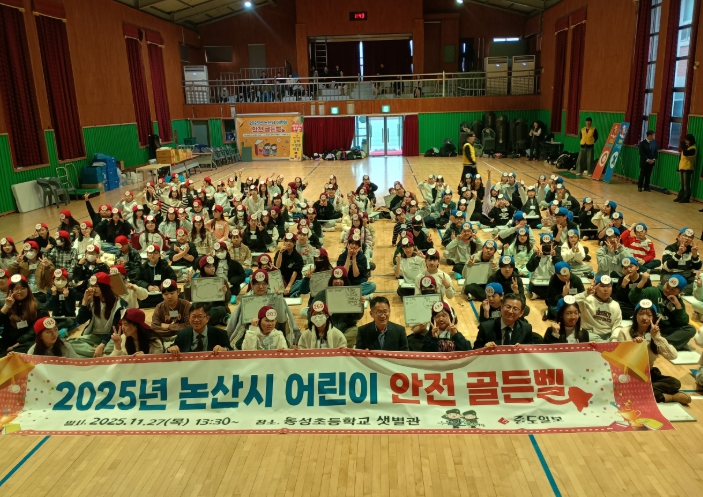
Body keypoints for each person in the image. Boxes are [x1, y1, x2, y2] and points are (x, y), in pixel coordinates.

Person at [613, 299, 690, 405]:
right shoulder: (625, 332)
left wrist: (656, 337)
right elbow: (618, 360)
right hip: (630, 375)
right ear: (635, 315)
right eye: (641, 314)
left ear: (654, 318)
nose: (644, 318)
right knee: (626, 388)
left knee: (675, 383)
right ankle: (669, 397)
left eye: (649, 315)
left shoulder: (655, 335)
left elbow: (672, 355)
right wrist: (632, 346)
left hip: (648, 373)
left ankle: (642, 390)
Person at [629, 273, 695, 350]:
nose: (668, 290)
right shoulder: (653, 291)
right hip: (649, 327)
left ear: (679, 292)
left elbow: (683, 322)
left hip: (665, 329)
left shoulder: (678, 301)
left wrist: (677, 305)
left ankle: (659, 344)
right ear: (665, 282)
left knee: (691, 329)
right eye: (667, 286)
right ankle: (663, 344)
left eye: (673, 290)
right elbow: (633, 297)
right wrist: (642, 281)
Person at [68, 272, 127, 358]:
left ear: (105, 287)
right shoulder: (92, 302)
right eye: (92, 286)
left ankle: (95, 354)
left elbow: (116, 328)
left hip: (111, 337)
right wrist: (84, 301)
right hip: (95, 336)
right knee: (69, 343)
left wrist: (102, 345)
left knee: (111, 349)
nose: (93, 289)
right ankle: (100, 355)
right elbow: (79, 320)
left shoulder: (119, 304)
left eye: (97, 286)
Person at [0, 275, 50, 356]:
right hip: (8, 341)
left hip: (27, 341)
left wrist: (19, 342)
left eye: (23, 288)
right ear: (10, 291)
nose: (19, 291)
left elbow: (36, 329)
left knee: (34, 346)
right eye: (16, 289)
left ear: (28, 289)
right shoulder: (4, 305)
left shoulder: (37, 306)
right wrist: (7, 306)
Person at [574, 275, 622, 342]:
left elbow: (617, 326)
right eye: (602, 286)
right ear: (595, 287)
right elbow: (570, 302)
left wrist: (614, 339)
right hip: (590, 335)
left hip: (608, 335)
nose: (606, 289)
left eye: (609, 286)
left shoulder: (615, 305)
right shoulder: (586, 300)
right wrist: (585, 293)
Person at [661, 227, 701, 293]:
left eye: (690, 237)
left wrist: (695, 255)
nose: (687, 238)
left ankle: (680, 291)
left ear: (692, 239)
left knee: (700, 281)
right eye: (684, 236)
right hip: (671, 274)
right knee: (675, 282)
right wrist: (678, 254)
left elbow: (697, 267)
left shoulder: (692, 250)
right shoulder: (670, 248)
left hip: (687, 275)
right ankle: (684, 290)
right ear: (679, 236)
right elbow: (667, 266)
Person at [676, 134, 696, 203]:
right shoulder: (686, 147)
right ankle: (681, 195)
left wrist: (683, 146)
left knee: (686, 184)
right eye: (685, 140)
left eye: (687, 140)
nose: (686, 141)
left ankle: (686, 197)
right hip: (682, 166)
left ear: (691, 140)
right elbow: (681, 158)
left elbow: (685, 153)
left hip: (688, 168)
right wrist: (678, 167)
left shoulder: (693, 148)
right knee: (682, 183)